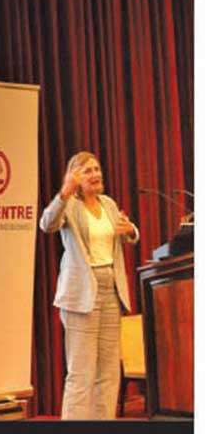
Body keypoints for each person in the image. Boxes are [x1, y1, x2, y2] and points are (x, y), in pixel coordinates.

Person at [39, 151, 139, 419]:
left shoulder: (109, 204)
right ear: (74, 178)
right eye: (87, 171)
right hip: (81, 294)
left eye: (97, 169)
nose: (96, 174)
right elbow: (47, 224)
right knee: (81, 372)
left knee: (108, 372)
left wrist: (131, 230)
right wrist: (64, 193)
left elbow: (125, 234)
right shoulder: (69, 205)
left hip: (111, 292)